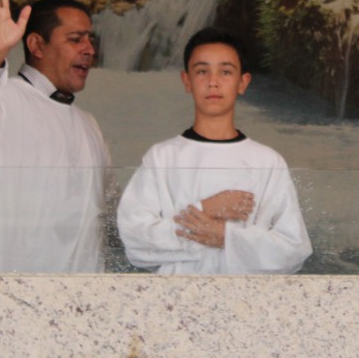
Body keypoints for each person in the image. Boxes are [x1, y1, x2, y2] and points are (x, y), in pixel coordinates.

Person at [0, 0, 110, 272]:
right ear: (37, 45)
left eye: (90, 40)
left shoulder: (88, 124)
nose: (90, 50)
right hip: (5, 290)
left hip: (80, 292)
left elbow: (107, 207)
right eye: (76, 39)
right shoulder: (0, 99)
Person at [117, 27, 312, 274]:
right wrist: (206, 208)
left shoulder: (267, 162)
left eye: (226, 71)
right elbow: (134, 242)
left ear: (243, 82)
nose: (213, 82)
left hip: (245, 296)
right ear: (186, 81)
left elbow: (293, 250)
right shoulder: (162, 157)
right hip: (174, 295)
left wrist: (226, 237)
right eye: (202, 71)